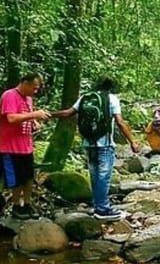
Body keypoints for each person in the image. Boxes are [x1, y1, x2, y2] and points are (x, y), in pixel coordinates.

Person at [50, 77, 140, 220]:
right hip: (105, 144)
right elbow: (120, 122)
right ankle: (103, 209)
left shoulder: (86, 97)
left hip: (88, 143)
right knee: (104, 177)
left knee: (95, 176)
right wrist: (132, 142)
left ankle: (98, 205)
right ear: (111, 87)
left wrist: (48, 114)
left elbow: (67, 113)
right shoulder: (112, 99)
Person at [0, 73, 51, 219]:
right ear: (24, 83)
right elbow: (11, 118)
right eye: (34, 88)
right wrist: (34, 115)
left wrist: (34, 122)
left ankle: (27, 204)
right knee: (16, 180)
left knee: (28, 177)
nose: (35, 92)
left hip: (26, 146)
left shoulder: (28, 99)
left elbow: (26, 116)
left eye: (37, 89)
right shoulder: (9, 95)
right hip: (10, 147)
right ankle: (15, 206)